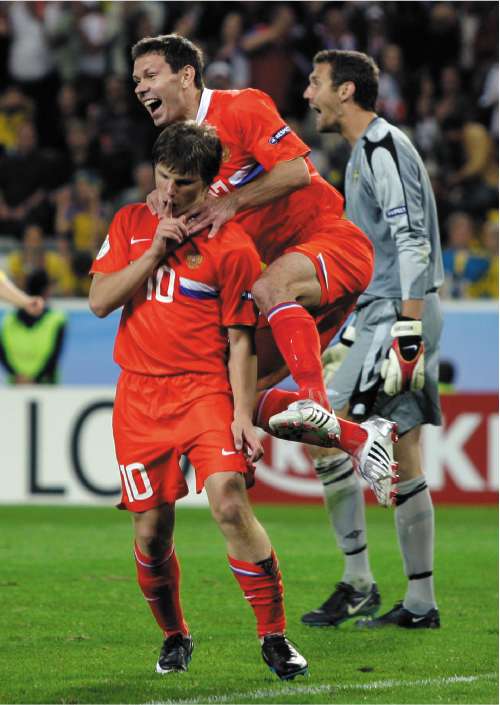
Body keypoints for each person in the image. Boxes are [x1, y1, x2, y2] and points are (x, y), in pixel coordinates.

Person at [131, 34, 398, 505]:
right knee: (232, 396)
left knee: (268, 284)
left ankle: (316, 404)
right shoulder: (182, 155)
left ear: (187, 75)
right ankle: (360, 438)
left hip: (331, 245)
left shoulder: (241, 107)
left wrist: (229, 203)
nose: (139, 88)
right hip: (286, 295)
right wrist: (163, 205)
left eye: (150, 76)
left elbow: (296, 171)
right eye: (135, 81)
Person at [88, 121, 308, 681]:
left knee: (230, 502)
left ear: (210, 185)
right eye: (162, 177)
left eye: (183, 184)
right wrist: (152, 253)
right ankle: (174, 636)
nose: (169, 191)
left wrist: (242, 416)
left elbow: (240, 341)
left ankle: (274, 636)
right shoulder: (131, 223)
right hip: (139, 395)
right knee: (151, 532)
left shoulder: (232, 248)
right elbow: (98, 301)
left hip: (204, 390)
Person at [300, 49, 444, 629]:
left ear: (347, 91)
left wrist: (407, 331)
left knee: (342, 438)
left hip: (399, 314)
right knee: (369, 446)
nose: (308, 94)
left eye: (316, 83)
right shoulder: (366, 150)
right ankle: (397, 594)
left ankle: (386, 590)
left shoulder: (383, 147)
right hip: (380, 311)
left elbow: (412, 240)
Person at [0, 268, 66, 384]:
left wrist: (18, 377)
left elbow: (2, 355)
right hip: (45, 386)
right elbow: (54, 357)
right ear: (47, 290)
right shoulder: (57, 319)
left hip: (16, 385)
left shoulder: (8, 320)